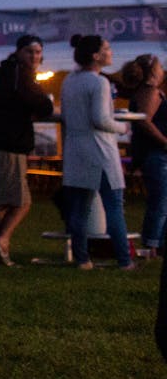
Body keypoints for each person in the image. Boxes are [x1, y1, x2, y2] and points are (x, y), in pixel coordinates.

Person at [60, 34, 135, 270]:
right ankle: (124, 259)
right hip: (100, 150)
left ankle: (83, 258)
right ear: (96, 55)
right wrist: (122, 127)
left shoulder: (69, 81)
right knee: (114, 205)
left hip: (76, 150)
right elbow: (101, 119)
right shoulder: (99, 82)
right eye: (107, 48)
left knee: (80, 208)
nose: (111, 52)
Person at [0, 34, 54, 266]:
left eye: (38, 52)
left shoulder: (9, 73)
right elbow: (41, 103)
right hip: (7, 145)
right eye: (30, 52)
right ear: (20, 52)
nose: (34, 57)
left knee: (2, 199)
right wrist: (45, 103)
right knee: (20, 202)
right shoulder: (19, 74)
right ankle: (1, 242)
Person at [121, 54, 167, 260]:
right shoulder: (150, 92)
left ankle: (158, 244)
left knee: (162, 201)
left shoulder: (142, 91)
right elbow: (144, 121)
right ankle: (152, 245)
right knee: (160, 201)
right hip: (156, 154)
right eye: (160, 66)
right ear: (153, 71)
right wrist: (165, 142)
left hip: (153, 153)